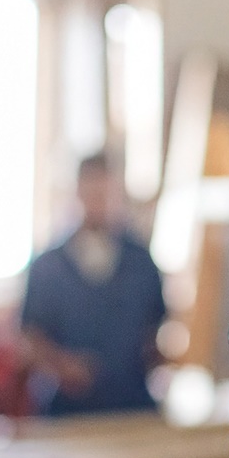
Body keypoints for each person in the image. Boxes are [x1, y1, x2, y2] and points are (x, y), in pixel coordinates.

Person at [21, 155, 165, 416]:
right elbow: (30, 335)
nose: (99, 201)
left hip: (131, 408)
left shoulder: (142, 262)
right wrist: (62, 366)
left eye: (106, 192)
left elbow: (156, 328)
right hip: (67, 413)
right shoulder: (48, 266)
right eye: (92, 191)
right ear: (79, 192)